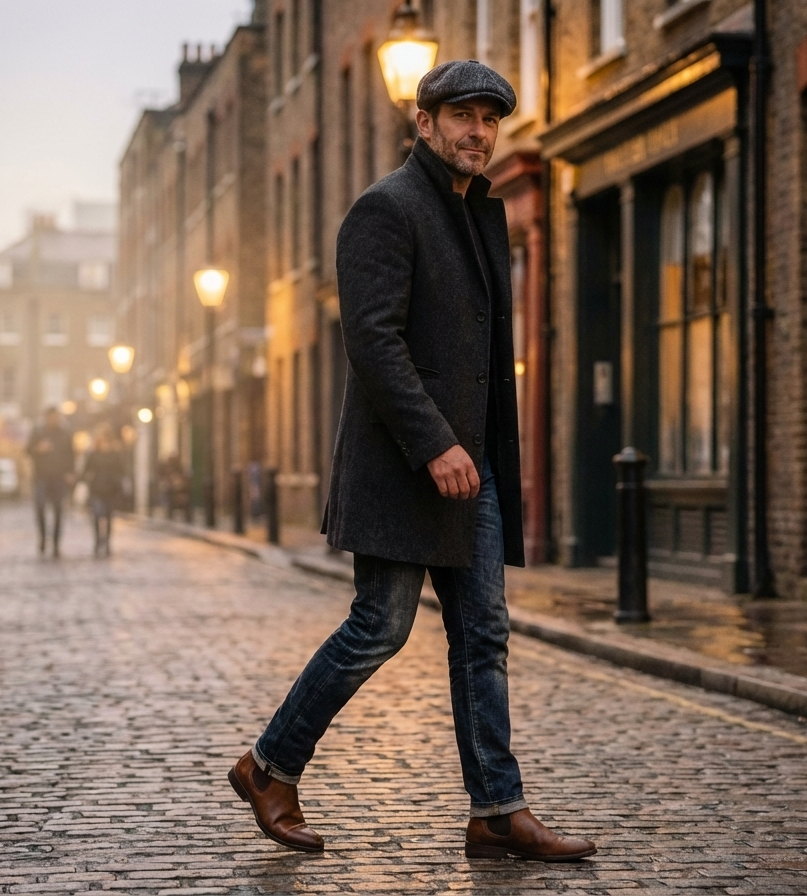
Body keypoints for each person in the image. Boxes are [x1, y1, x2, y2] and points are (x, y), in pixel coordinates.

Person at [228, 61, 596, 862]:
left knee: (483, 635)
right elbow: (373, 343)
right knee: (379, 627)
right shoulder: (385, 209)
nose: (478, 131)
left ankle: (497, 810)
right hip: (407, 464)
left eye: (490, 119)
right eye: (461, 116)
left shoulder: (475, 215)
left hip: (476, 468)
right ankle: (269, 767)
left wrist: (481, 453)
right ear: (423, 123)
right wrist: (435, 444)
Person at [26, 406, 74, 557]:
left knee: (59, 510)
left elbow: (70, 455)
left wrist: (70, 472)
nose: (53, 419)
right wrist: (38, 449)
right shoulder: (38, 432)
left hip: (58, 477)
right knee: (40, 506)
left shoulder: (65, 433)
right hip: (41, 477)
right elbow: (27, 450)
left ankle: (56, 543)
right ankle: (42, 537)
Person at [82, 424, 124, 556]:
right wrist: (89, 478)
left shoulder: (115, 454)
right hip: (96, 489)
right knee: (97, 515)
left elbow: (121, 470)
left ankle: (107, 542)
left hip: (111, 490)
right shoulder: (93, 454)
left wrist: (116, 481)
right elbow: (85, 471)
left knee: (109, 517)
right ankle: (98, 540)